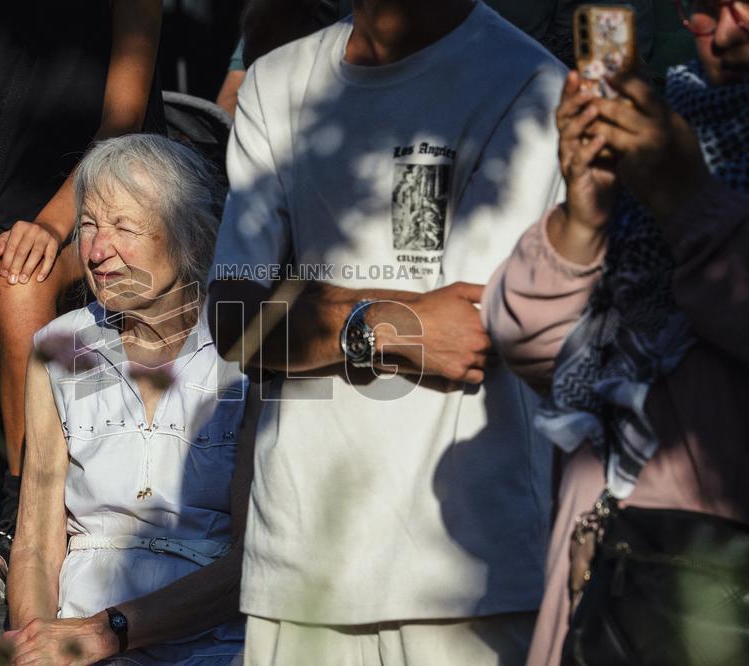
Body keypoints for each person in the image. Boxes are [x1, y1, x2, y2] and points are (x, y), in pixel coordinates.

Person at [207, 0, 566, 662]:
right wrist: (375, 324)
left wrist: (304, 302)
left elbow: (472, 327)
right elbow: (234, 318)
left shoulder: (531, 83)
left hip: (466, 572)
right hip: (300, 565)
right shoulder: (276, 82)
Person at [482, 1, 749, 663]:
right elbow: (532, 344)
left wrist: (689, 202)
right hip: (600, 590)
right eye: (705, 8)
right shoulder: (665, 141)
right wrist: (585, 211)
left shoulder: (678, 167)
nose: (717, 29)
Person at [0, 0, 166, 561]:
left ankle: (29, 507)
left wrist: (52, 224)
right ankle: (28, 509)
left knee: (24, 278)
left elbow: (123, 121)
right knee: (19, 276)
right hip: (0, 215)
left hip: (119, 197)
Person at [6, 135, 253, 665]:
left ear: (189, 236)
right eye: (90, 226)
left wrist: (110, 632)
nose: (97, 251)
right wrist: (37, 641)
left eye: (123, 227)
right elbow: (35, 542)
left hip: (213, 642)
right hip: (77, 638)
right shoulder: (59, 347)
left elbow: (253, 559)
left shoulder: (248, 349)